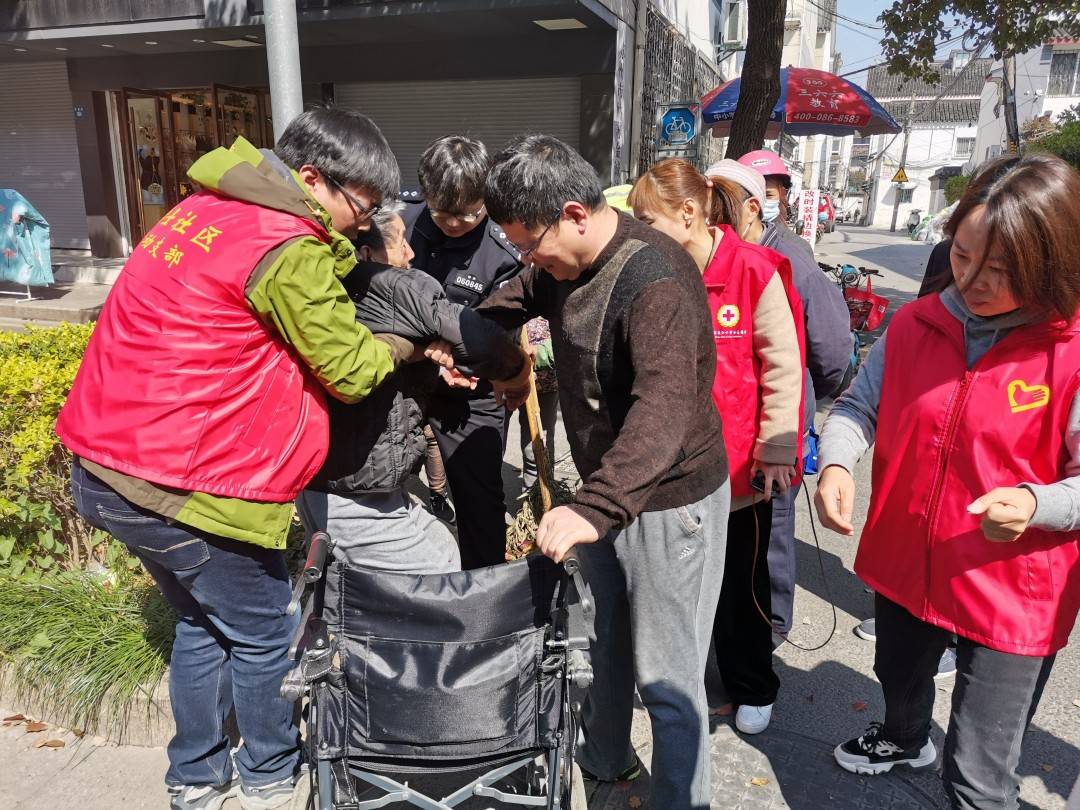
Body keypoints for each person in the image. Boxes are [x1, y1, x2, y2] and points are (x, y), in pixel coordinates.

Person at [56, 108, 438, 810]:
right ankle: (268, 772)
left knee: (205, 622)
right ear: (312, 178)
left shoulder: (202, 209)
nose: (361, 223)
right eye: (360, 207)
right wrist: (406, 343)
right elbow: (351, 369)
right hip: (185, 482)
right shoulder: (287, 245)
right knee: (267, 631)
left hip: (109, 464)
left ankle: (196, 777)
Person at [815, 154, 1080, 809]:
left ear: (1051, 263)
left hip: (1010, 587)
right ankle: (905, 736)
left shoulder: (1070, 350)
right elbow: (857, 407)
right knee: (897, 673)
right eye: (963, 255)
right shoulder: (916, 323)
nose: (973, 281)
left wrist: (1035, 503)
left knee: (977, 779)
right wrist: (837, 462)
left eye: (1001, 269)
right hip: (908, 558)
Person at [477, 135, 730, 810]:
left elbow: (663, 411)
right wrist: (465, 343)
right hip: (608, 494)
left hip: (670, 499)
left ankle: (683, 801)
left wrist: (594, 508)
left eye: (531, 244)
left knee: (668, 677)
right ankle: (606, 759)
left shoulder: (656, 279)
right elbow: (510, 300)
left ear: (573, 215)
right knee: (608, 640)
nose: (528, 260)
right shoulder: (558, 266)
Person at [629, 159, 804, 736]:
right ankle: (685, 684)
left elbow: (783, 366)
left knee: (740, 589)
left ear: (688, 212)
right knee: (678, 584)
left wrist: (777, 449)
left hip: (742, 470)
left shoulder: (753, 269)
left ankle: (753, 684)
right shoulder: (656, 270)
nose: (640, 231)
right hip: (675, 466)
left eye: (647, 219)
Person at [299, 206, 529, 573]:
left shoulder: (323, 284)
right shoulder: (399, 286)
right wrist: (517, 374)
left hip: (342, 477)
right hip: (357, 489)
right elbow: (478, 338)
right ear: (367, 253)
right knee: (439, 570)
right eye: (401, 244)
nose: (411, 253)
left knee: (449, 538)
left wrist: (430, 358)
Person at [724, 152, 851, 639]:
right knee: (748, 532)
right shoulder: (730, 253)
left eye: (774, 189)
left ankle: (772, 629)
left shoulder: (791, 258)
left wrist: (808, 398)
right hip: (741, 421)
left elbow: (832, 350)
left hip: (780, 416)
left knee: (773, 527)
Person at [402, 135, 525, 568]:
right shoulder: (400, 223)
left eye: (469, 214)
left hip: (470, 391)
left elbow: (498, 330)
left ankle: (485, 588)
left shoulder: (504, 250)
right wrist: (424, 347)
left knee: (480, 501)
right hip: (401, 376)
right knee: (379, 483)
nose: (454, 223)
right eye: (442, 213)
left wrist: (458, 355)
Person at [518, 317, 558, 491]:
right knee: (527, 444)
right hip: (513, 379)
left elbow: (566, 340)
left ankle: (544, 491)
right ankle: (530, 492)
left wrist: (538, 353)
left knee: (541, 441)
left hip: (547, 385)